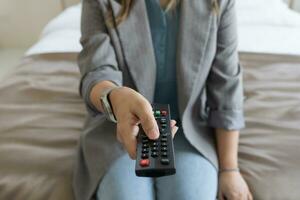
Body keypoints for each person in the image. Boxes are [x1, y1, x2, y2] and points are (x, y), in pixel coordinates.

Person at [73, 0, 253, 200]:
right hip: (118, 128)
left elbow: (226, 86)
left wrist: (229, 168)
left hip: (189, 130)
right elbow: (97, 70)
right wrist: (115, 98)